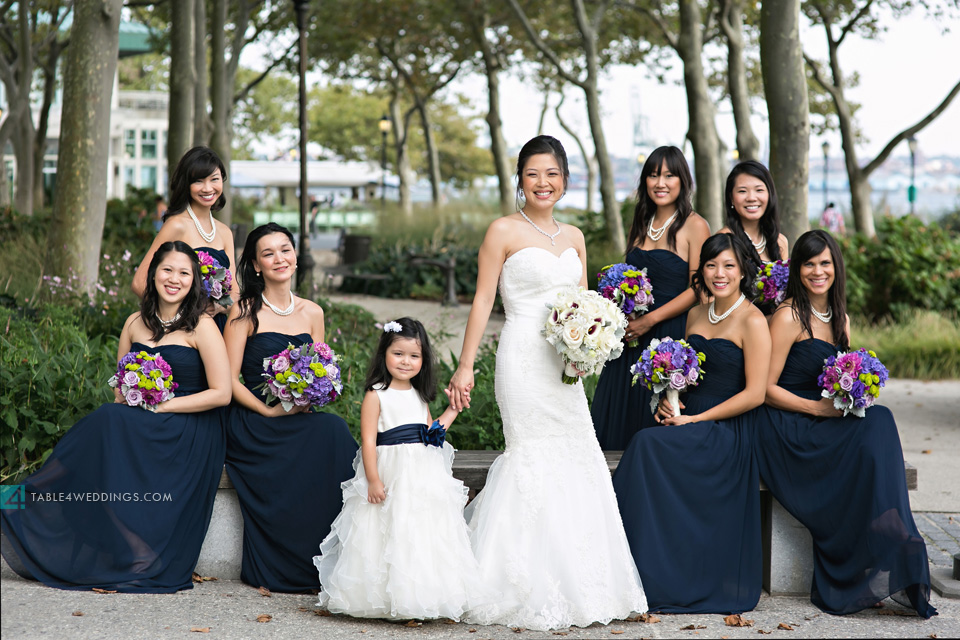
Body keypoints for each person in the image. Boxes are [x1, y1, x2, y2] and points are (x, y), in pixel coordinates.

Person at [446, 135, 647, 631]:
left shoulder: (575, 236)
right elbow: (481, 303)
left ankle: (584, 583)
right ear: (520, 180)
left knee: (579, 454)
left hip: (566, 367)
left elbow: (587, 306)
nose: (543, 183)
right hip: (521, 360)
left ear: (565, 180)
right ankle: (516, 583)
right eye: (533, 174)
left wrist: (590, 348)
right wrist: (465, 365)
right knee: (530, 457)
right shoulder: (502, 231)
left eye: (552, 174)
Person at [1, 242, 230, 593]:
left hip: (189, 423)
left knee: (107, 423)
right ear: (153, 273)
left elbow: (221, 393)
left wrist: (163, 406)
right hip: (140, 417)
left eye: (184, 273)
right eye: (167, 269)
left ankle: (26, 495)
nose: (174, 279)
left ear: (194, 281)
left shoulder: (201, 326)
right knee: (108, 425)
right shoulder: (134, 323)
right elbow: (119, 388)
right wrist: (137, 398)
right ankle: (134, 549)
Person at [754, 230, 936, 618]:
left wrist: (855, 395)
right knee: (876, 426)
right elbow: (765, 389)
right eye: (809, 263)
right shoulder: (787, 316)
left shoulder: (841, 319)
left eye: (825, 263)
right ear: (797, 269)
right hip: (786, 425)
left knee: (879, 417)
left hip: (823, 420)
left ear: (836, 267)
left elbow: (838, 380)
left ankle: (891, 531)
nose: (818, 271)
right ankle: (885, 534)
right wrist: (818, 410)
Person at [612, 233, 769, 613]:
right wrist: (671, 403)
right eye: (712, 264)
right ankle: (631, 567)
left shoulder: (753, 320)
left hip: (729, 427)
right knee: (646, 443)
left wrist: (696, 417)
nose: (719, 273)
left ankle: (651, 571)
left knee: (647, 447)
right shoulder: (697, 313)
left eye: (729, 265)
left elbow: (755, 394)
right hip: (690, 417)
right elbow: (686, 374)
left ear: (744, 270)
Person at [314, 317, 488, 620]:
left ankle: (421, 595)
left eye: (414, 356)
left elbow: (432, 435)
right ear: (385, 354)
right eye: (398, 354)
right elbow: (368, 441)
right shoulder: (377, 394)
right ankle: (385, 596)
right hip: (390, 471)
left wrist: (453, 409)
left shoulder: (419, 395)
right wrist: (373, 479)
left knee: (418, 531)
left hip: (421, 473)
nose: (405, 361)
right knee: (386, 531)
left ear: (423, 360)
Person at [223, 223, 358, 593]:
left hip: (297, 417)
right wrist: (267, 411)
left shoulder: (313, 312)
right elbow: (229, 380)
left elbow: (321, 371)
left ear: (296, 256)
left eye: (285, 249)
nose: (279, 258)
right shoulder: (243, 310)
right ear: (255, 265)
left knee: (333, 432)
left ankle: (340, 556)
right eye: (268, 253)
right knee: (325, 435)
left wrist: (311, 396)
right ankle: (286, 563)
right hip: (253, 419)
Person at [592, 146, 710, 449]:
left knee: (653, 418)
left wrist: (651, 320)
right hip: (630, 336)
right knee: (616, 416)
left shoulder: (694, 225)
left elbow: (698, 287)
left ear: (683, 181)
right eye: (654, 175)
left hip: (667, 336)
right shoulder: (641, 221)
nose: (661, 182)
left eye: (669, 175)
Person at [132, 146, 235, 332]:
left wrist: (218, 307)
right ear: (186, 184)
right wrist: (176, 318)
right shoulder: (176, 225)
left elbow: (234, 293)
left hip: (217, 329)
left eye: (214, 179)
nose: (207, 188)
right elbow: (139, 283)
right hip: (182, 330)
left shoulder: (225, 232)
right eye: (198, 181)